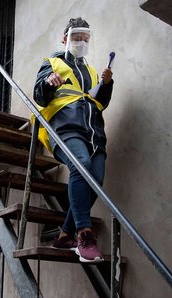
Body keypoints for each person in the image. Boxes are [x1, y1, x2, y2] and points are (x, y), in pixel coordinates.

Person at [33, 17, 113, 263]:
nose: (81, 42)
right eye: (77, 37)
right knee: (80, 166)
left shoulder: (90, 70)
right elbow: (39, 95)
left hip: (93, 132)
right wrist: (48, 82)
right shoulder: (53, 62)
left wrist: (106, 85)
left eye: (85, 38)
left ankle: (64, 235)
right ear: (65, 38)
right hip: (65, 127)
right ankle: (84, 235)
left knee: (95, 180)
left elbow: (99, 102)